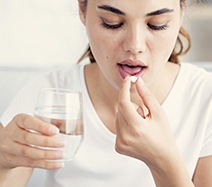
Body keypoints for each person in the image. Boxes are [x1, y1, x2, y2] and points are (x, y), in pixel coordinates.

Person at [0, 0, 211, 186]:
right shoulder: (49, 96)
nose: (134, 46)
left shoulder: (205, 98)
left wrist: (163, 162)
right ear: (83, 9)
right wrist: (3, 162)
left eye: (157, 24)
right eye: (112, 22)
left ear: (181, 12)